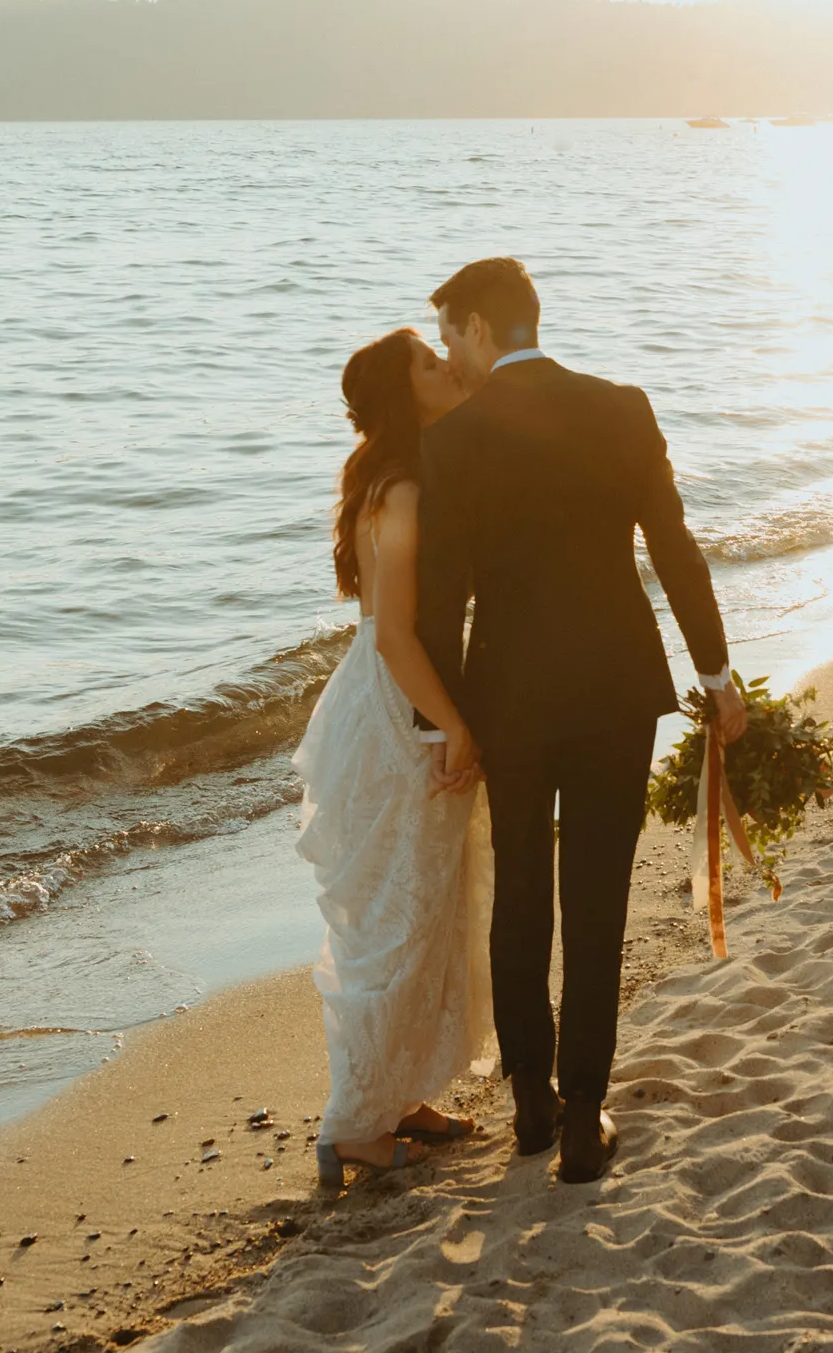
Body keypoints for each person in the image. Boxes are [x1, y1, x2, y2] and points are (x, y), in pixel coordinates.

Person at [415, 256, 746, 1185]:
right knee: (595, 901)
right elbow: (674, 547)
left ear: (480, 328)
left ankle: (531, 1101)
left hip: (509, 702)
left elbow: (439, 607)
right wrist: (716, 673)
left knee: (521, 890)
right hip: (613, 690)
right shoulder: (622, 407)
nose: (452, 357)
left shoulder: (453, 443)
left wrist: (441, 723)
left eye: (450, 337)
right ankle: (582, 1112)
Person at [294, 328, 493, 1189]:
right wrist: (455, 725)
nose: (443, 366)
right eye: (427, 362)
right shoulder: (403, 488)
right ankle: (355, 1126)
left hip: (381, 694)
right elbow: (401, 633)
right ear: (405, 396)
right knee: (397, 922)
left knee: (421, 908)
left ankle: (400, 1095)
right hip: (399, 701)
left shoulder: (392, 478)